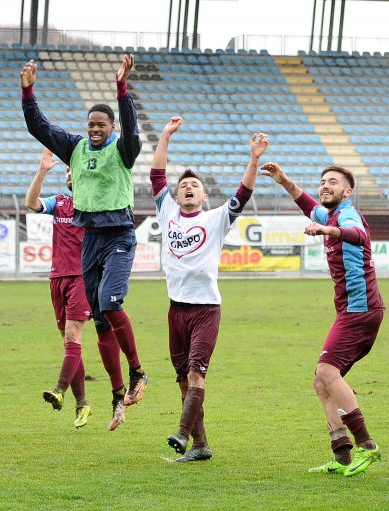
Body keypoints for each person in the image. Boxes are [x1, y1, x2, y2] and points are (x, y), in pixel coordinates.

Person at [21, 54, 147, 430]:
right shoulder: (74, 147)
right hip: (89, 240)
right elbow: (39, 127)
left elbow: (132, 130)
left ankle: (138, 372)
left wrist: (121, 88)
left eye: (101, 124)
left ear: (111, 127)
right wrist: (28, 92)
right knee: (102, 324)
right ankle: (117, 395)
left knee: (110, 302)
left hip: (119, 234)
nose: (94, 129)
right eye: (91, 124)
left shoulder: (123, 149)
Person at [151, 117, 269, 461]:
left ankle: (182, 433)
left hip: (205, 310)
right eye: (183, 185)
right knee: (182, 381)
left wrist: (253, 158)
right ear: (176, 195)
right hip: (175, 310)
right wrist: (165, 136)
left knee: (195, 374)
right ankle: (201, 446)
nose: (188, 187)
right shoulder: (167, 211)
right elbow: (156, 174)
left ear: (204, 195)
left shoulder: (216, 219)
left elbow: (242, 194)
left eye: (194, 185)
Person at [261, 161, 384, 477]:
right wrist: (284, 180)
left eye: (333, 182)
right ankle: (342, 454)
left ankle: (367, 445)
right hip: (352, 311)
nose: (325, 185)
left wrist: (326, 230)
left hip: (360, 310)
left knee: (327, 371)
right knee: (322, 381)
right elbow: (308, 205)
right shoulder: (329, 214)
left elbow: (357, 234)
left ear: (348, 191)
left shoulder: (346, 215)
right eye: (323, 181)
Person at [25, 148, 126, 430]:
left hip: (84, 277)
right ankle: (82, 404)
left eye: (76, 172)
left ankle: (59, 389)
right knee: (70, 343)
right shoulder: (59, 203)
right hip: (57, 278)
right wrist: (42, 171)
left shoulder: (95, 205)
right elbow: (31, 203)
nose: (71, 176)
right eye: (69, 172)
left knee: (73, 335)